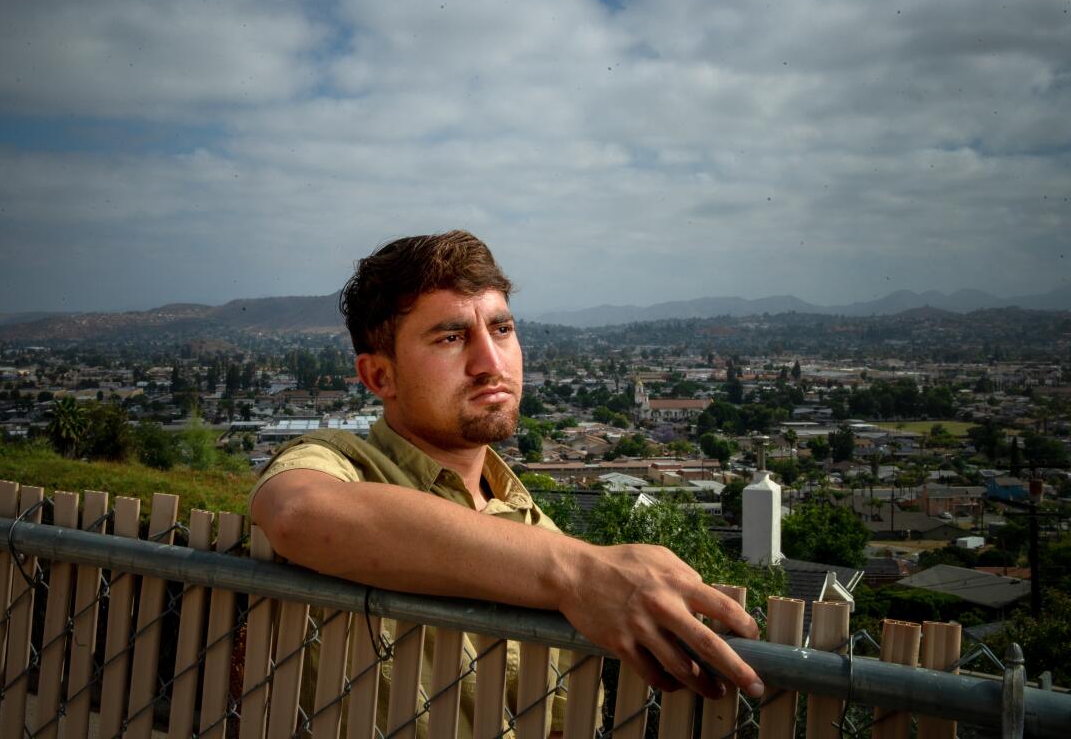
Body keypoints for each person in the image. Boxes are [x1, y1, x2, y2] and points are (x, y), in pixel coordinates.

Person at [249, 230, 764, 733]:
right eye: (450, 337)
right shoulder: (342, 462)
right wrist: (577, 571)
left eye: (501, 329)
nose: (491, 364)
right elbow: (297, 513)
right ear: (380, 377)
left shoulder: (534, 525)